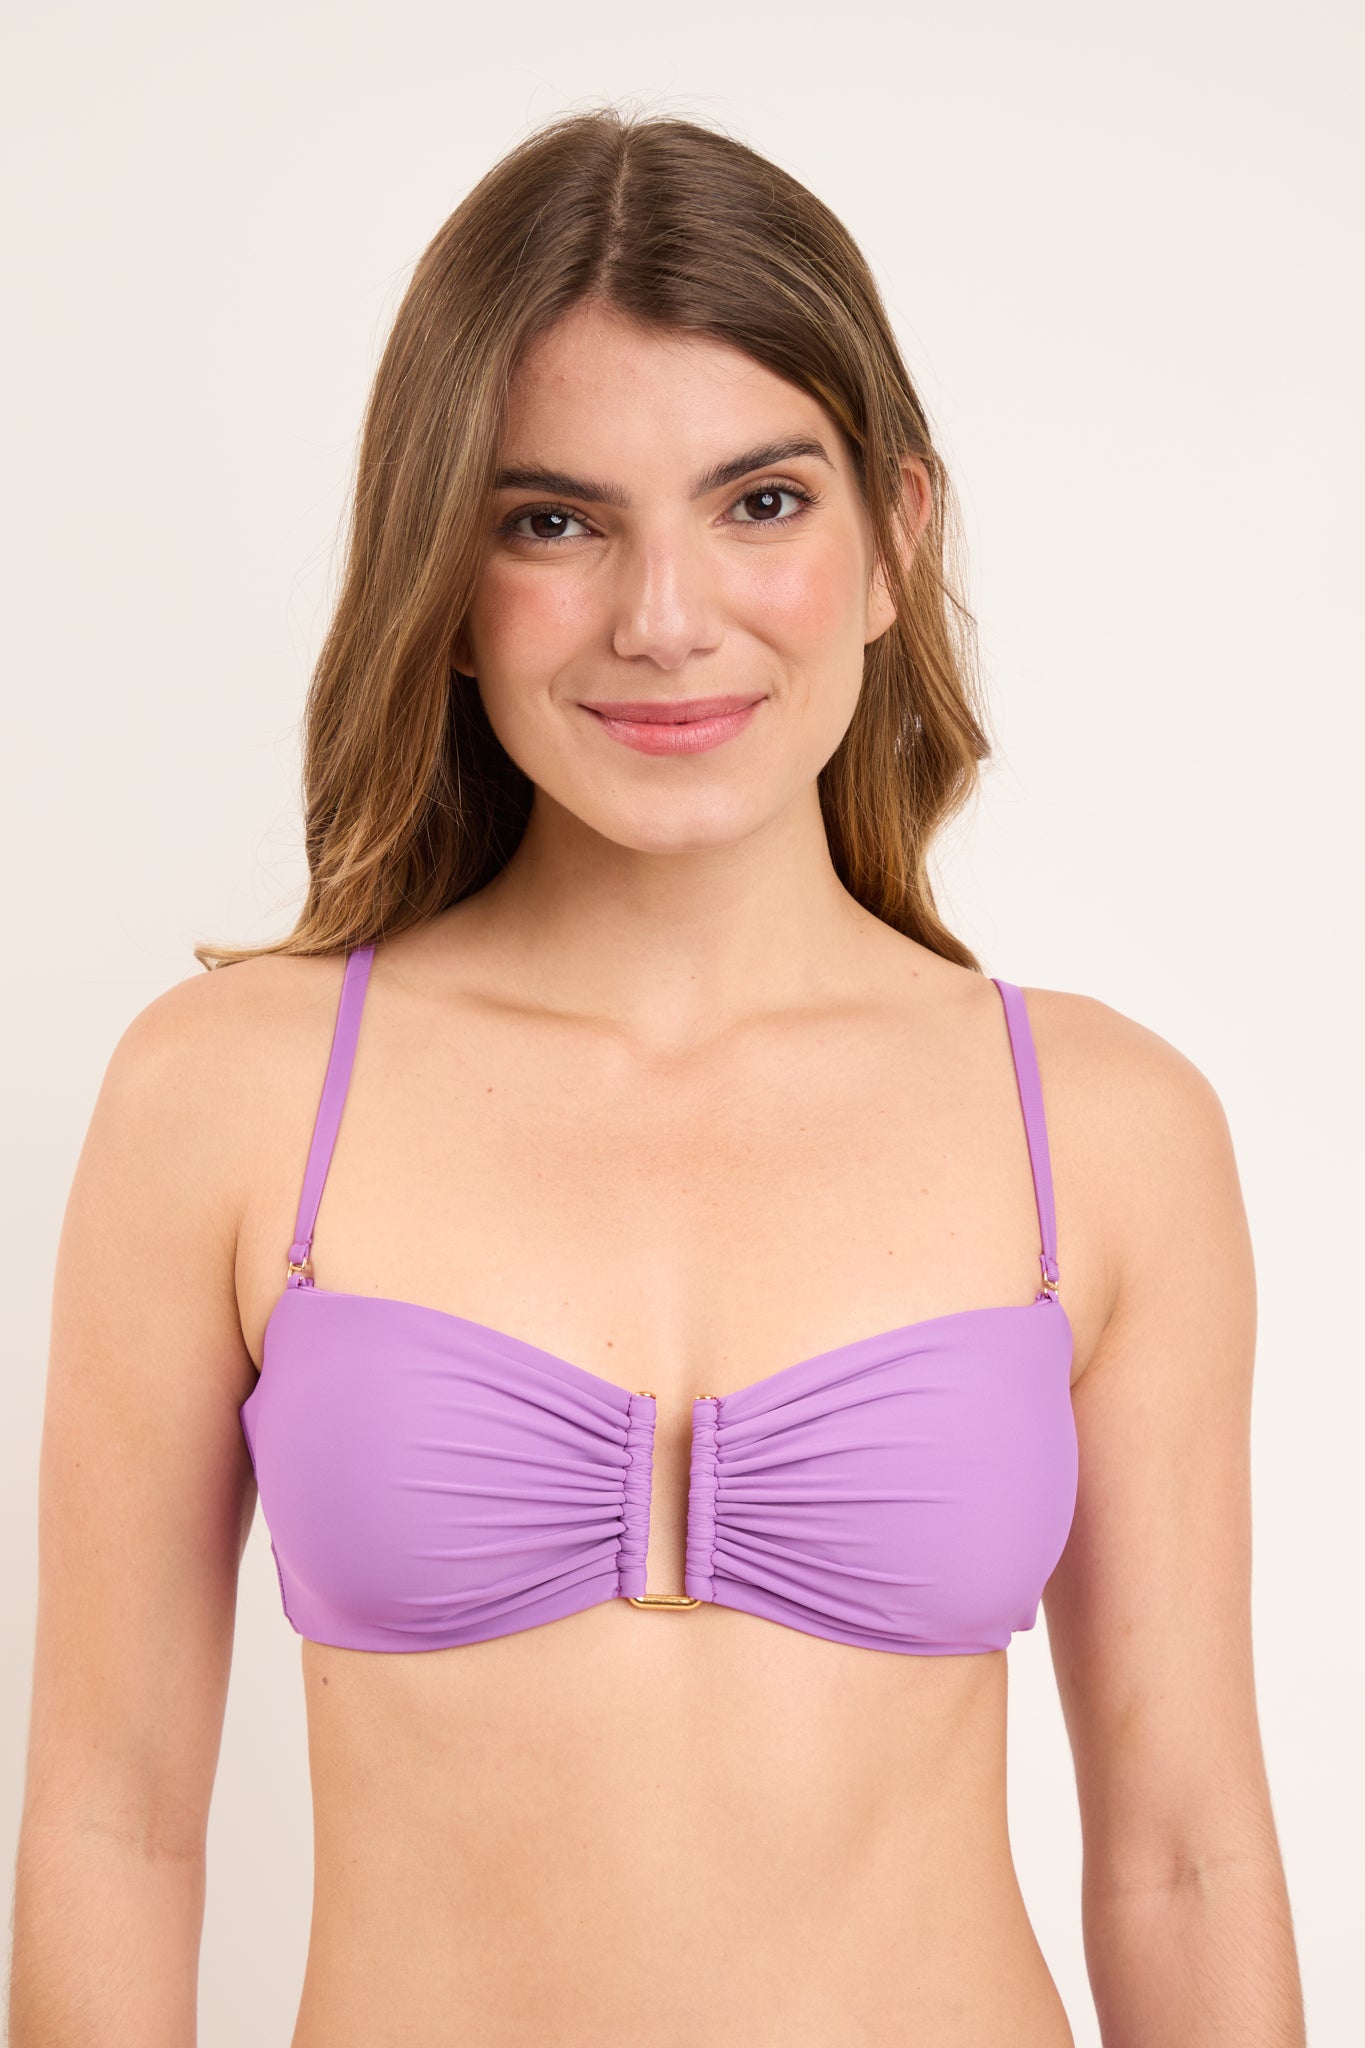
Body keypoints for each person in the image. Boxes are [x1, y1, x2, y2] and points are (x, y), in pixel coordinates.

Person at [9, 106, 1305, 2047]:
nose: (666, 619)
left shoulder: (1105, 1130)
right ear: (445, 578)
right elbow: (111, 1824)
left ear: (894, 540)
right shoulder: (231, 1097)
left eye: (758, 502)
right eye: (554, 521)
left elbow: (1182, 1855)